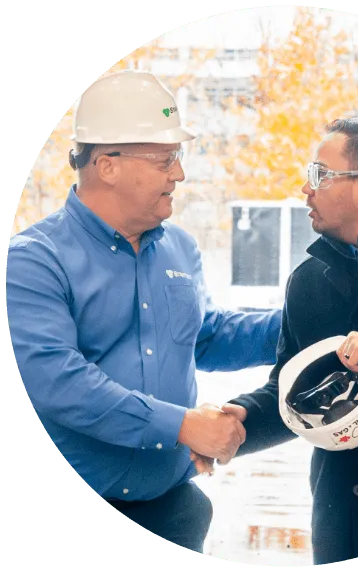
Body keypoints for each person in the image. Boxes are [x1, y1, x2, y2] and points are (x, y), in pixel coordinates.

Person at [6, 70, 282, 554]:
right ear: (107, 165)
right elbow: (56, 381)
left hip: (171, 511)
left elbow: (204, 336)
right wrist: (184, 425)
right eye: (165, 159)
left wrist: (308, 322)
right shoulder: (34, 260)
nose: (179, 173)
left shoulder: (179, 248)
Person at [217, 117, 358, 565]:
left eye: (320, 175)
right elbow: (294, 389)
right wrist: (241, 419)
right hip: (343, 521)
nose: (307, 188)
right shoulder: (309, 282)